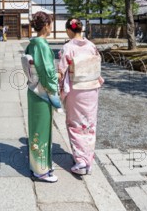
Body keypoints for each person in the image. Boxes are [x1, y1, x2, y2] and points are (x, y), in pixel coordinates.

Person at [57, 18, 104, 175]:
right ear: (81, 29)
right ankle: (88, 160)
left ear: (69, 30)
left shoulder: (68, 47)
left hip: (77, 90)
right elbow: (97, 65)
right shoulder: (91, 46)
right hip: (92, 89)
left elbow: (60, 71)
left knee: (76, 124)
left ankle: (81, 162)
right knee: (89, 124)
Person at [25, 11, 60, 183]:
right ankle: (41, 170)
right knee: (42, 128)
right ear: (46, 25)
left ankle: (39, 164)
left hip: (33, 90)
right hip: (42, 92)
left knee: (37, 127)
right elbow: (47, 72)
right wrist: (55, 88)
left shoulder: (32, 43)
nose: (51, 27)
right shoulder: (42, 45)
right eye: (51, 24)